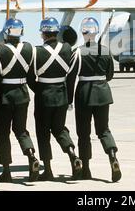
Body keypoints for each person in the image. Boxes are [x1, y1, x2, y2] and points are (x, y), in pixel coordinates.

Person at [27, 17, 83, 181]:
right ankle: (72, 154)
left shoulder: (37, 51)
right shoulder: (67, 48)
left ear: (43, 34)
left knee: (43, 132)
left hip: (44, 95)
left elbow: (31, 77)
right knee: (59, 128)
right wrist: (68, 97)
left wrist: (39, 90)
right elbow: (71, 75)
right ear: (57, 32)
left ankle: (48, 170)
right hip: (62, 95)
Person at [71, 17, 122, 182]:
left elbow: (71, 76)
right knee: (104, 130)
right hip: (102, 93)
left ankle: (86, 169)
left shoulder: (78, 51)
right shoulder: (106, 50)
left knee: (84, 134)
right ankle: (112, 156)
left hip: (84, 94)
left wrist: (69, 100)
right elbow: (109, 75)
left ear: (83, 32)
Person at [0, 18, 39, 183]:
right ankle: (32, 156)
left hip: (5, 95)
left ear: (6, 32)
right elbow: (32, 76)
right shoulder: (29, 48)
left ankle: (6, 171)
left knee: (3, 134)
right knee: (21, 130)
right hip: (23, 94)